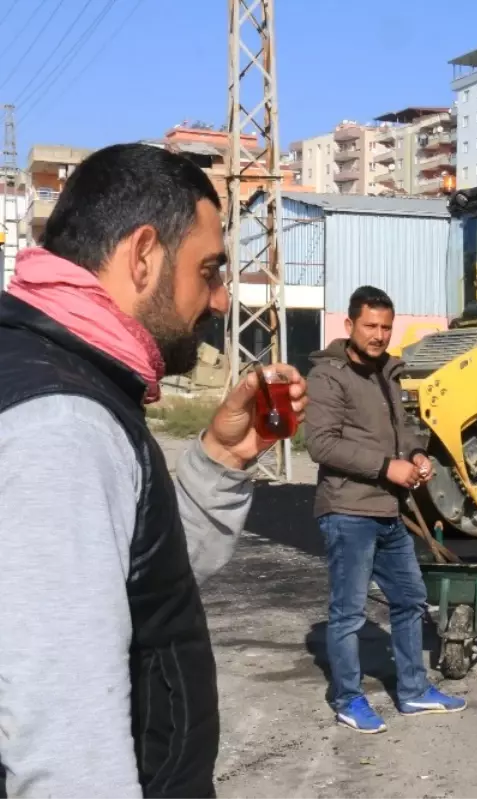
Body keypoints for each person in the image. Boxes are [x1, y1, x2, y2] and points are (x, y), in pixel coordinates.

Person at [0, 142, 308, 798]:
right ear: (144, 256)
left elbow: (133, 583)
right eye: (210, 269)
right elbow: (63, 748)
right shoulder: (64, 424)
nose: (222, 299)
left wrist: (222, 457)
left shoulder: (51, 371)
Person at [305, 285, 466, 733]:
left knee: (411, 600)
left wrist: (415, 456)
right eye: (370, 326)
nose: (378, 335)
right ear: (350, 326)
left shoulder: (388, 373)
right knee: (349, 613)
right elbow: (320, 444)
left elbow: (405, 432)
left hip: (389, 512)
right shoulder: (328, 376)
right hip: (348, 511)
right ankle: (348, 698)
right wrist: (385, 467)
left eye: (385, 327)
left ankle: (413, 691)